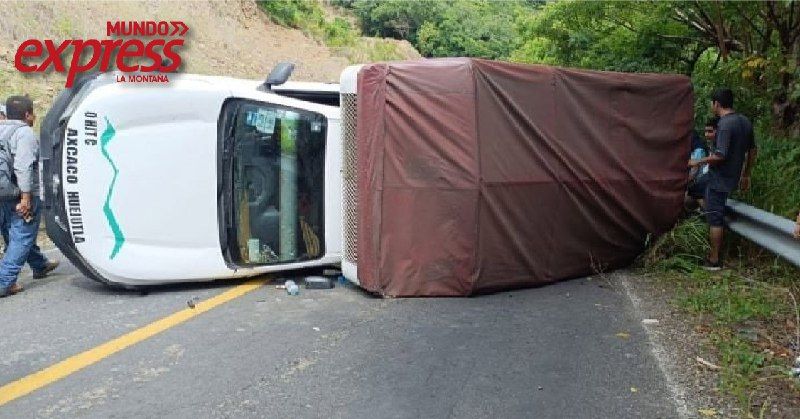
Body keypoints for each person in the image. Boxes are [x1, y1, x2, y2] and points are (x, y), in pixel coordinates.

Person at [689, 88, 757, 270]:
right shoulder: (744, 121)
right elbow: (752, 151)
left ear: (716, 104)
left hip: (719, 179)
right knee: (695, 191)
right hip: (733, 177)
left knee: (715, 218)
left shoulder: (725, 124)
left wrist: (697, 161)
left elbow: (720, 156)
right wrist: (746, 174)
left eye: (712, 104)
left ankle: (714, 259)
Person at [0, 96, 58, 297]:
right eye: (33, 114)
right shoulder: (24, 133)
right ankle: (5, 281)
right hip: (20, 193)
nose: (34, 118)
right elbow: (23, 167)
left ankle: (39, 265)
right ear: (27, 115)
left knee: (13, 230)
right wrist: (26, 197)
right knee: (23, 234)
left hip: (3, 192)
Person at [686, 117, 718, 209]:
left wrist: (687, 181)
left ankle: (709, 213)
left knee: (695, 191)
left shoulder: (699, 150)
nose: (706, 134)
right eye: (706, 132)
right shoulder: (711, 145)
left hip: (708, 177)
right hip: (705, 176)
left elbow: (695, 168)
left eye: (710, 131)